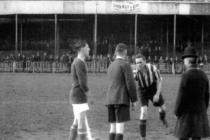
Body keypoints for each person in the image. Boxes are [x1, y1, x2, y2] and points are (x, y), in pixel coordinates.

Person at [174, 46, 210, 140]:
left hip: (186, 115)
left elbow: (181, 97)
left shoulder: (186, 76)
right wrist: (203, 110)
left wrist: (177, 112)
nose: (184, 61)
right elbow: (206, 97)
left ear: (188, 60)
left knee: (183, 137)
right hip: (199, 113)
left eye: (184, 59)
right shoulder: (204, 75)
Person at [106, 43, 138, 140]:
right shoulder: (125, 65)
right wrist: (134, 100)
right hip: (121, 99)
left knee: (112, 127)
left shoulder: (110, 66)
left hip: (110, 100)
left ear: (116, 52)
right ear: (125, 52)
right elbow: (130, 84)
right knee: (120, 128)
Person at [134, 53, 168, 140]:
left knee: (163, 108)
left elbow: (159, 81)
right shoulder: (135, 72)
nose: (138, 65)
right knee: (144, 111)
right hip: (142, 90)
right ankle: (143, 138)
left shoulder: (153, 68)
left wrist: (157, 94)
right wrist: (132, 99)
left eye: (140, 62)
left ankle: (162, 118)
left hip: (153, 88)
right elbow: (130, 84)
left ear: (145, 61)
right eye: (137, 63)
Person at [68, 40, 97, 140]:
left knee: (76, 122)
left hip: (76, 95)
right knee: (81, 124)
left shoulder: (77, 61)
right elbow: (82, 83)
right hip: (79, 96)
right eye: (87, 47)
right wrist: (89, 95)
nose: (89, 49)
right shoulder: (79, 62)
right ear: (81, 49)